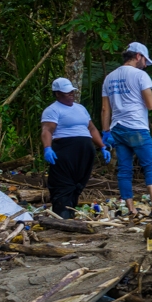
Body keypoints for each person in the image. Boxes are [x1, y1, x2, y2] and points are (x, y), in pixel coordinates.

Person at [101, 42, 152, 218]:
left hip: (117, 128)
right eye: (145, 60)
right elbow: (150, 104)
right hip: (137, 127)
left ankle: (131, 209)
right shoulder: (140, 75)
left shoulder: (109, 77)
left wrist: (105, 132)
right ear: (138, 56)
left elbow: (105, 109)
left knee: (124, 169)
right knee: (151, 166)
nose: (146, 65)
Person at [41, 79, 110, 219]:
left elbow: (91, 128)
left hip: (85, 150)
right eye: (67, 92)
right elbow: (47, 130)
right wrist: (47, 148)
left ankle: (71, 209)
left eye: (72, 91)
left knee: (79, 181)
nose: (71, 94)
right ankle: (61, 211)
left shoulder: (80, 108)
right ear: (58, 94)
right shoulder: (53, 110)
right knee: (63, 181)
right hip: (66, 149)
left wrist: (102, 146)